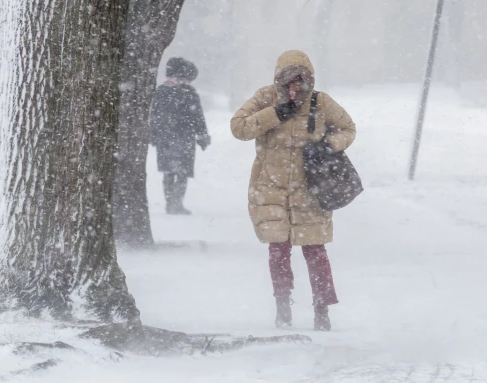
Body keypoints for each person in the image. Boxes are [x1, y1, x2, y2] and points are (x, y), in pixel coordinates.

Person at [230, 50, 356, 331]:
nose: (294, 88)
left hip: (310, 189)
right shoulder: (265, 98)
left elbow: (348, 129)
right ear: (279, 81)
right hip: (269, 189)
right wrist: (274, 113)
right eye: (289, 82)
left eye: (300, 81)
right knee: (278, 250)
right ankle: (283, 306)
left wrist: (330, 144)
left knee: (315, 251)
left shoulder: (321, 102)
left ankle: (322, 310)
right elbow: (238, 128)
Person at [150, 57, 210, 215]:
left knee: (168, 172)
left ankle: (170, 202)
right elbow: (198, 116)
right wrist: (203, 136)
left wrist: (154, 133)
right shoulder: (189, 93)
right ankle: (176, 202)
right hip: (184, 137)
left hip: (165, 138)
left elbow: (154, 115)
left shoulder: (161, 92)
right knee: (182, 172)